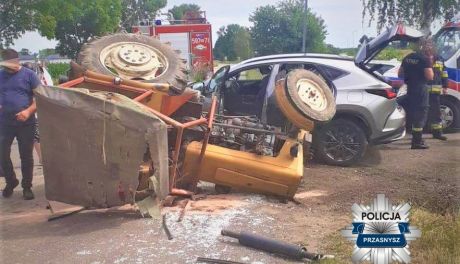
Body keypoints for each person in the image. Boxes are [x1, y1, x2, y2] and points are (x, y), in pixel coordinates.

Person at [0, 49, 40, 199]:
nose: (13, 67)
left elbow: (40, 98)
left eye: (15, 63)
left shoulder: (29, 75)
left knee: (26, 156)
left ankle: (27, 187)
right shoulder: (0, 75)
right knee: (2, 154)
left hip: (26, 123)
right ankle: (11, 181)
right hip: (4, 123)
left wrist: (28, 112)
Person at [398, 38, 434, 149]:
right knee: (421, 113)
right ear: (422, 47)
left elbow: (400, 74)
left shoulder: (407, 58)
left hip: (410, 89)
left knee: (413, 112)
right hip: (421, 89)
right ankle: (417, 142)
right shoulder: (424, 59)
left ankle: (414, 139)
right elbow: (430, 76)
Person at [427, 55, 449, 140]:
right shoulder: (421, 57)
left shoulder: (440, 58)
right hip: (422, 91)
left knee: (436, 112)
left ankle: (437, 133)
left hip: (435, 91)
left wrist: (445, 86)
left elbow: (444, 73)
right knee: (422, 113)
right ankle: (418, 135)